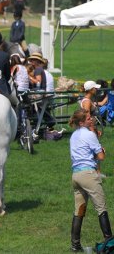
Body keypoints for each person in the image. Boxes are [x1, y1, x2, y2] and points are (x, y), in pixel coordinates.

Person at [69, 108, 112, 252]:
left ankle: (75, 245)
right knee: (101, 208)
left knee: (79, 210)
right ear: (81, 122)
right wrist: (102, 151)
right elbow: (100, 157)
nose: (92, 119)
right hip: (89, 175)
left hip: (76, 175)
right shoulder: (89, 135)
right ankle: (110, 243)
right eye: (88, 118)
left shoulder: (73, 136)